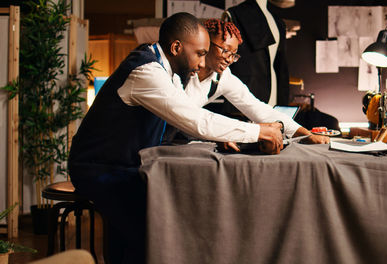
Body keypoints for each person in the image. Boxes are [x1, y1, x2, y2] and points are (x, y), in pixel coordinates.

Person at [68, 13, 283, 264]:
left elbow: (184, 120)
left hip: (123, 166)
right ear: (177, 47)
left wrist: (218, 137)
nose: (202, 64)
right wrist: (259, 131)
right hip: (98, 168)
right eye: (200, 54)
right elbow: (195, 119)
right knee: (155, 231)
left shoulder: (167, 71)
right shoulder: (146, 72)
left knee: (156, 219)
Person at [185, 18, 329, 148]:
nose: (229, 59)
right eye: (225, 51)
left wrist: (307, 135)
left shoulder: (223, 77)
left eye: (233, 55)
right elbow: (190, 116)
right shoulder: (181, 71)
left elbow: (259, 109)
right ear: (206, 43)